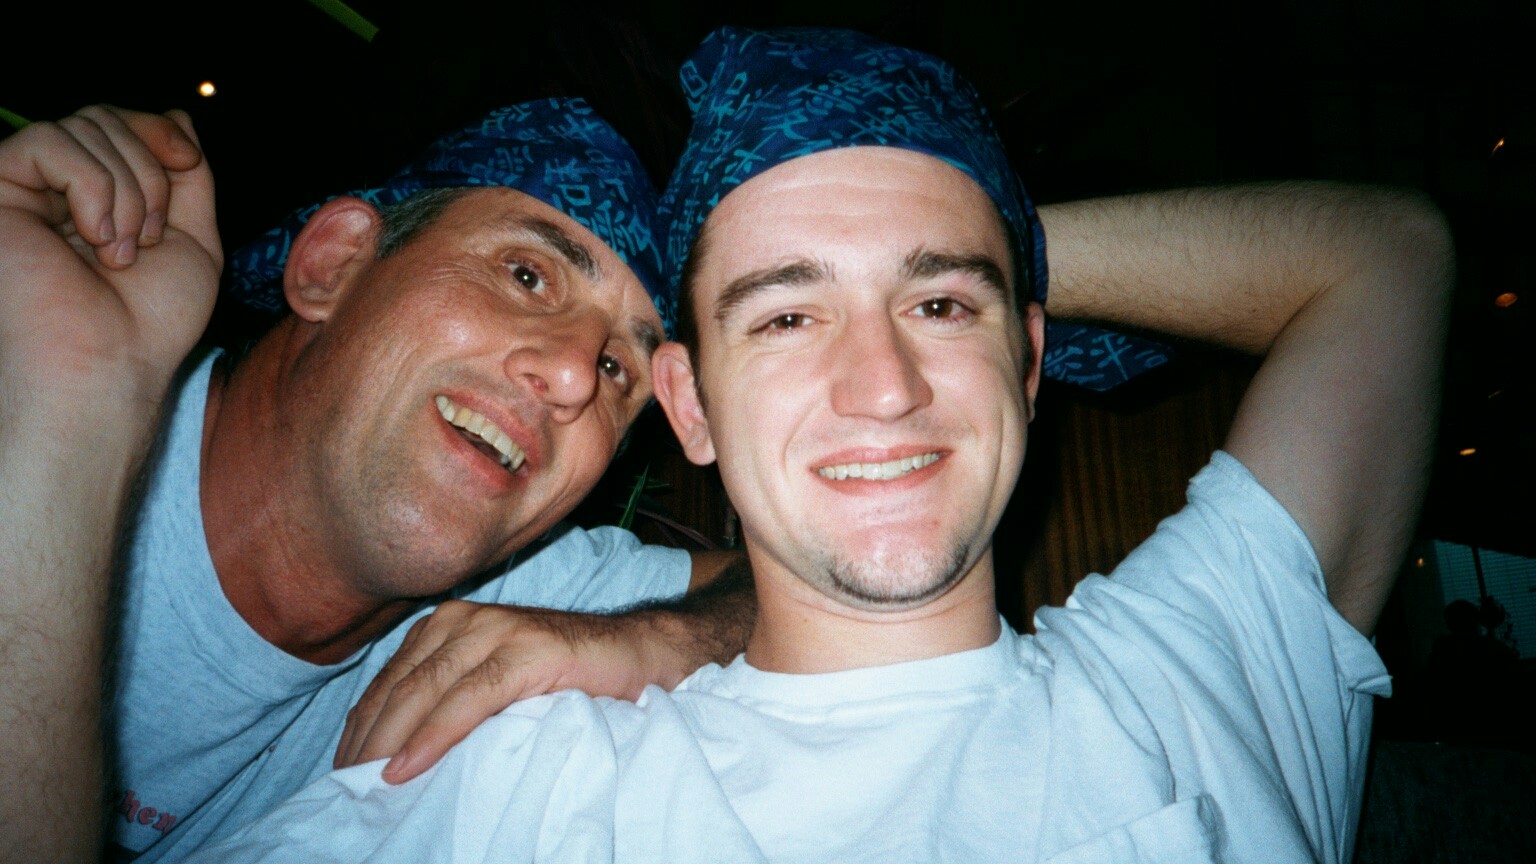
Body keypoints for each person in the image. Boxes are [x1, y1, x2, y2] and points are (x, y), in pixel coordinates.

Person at [0, 98, 754, 863]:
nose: (572, 377)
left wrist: (653, 639)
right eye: (527, 276)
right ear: (336, 265)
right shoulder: (42, 407)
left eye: (617, 369)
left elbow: (787, 594)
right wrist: (73, 403)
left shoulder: (518, 588)